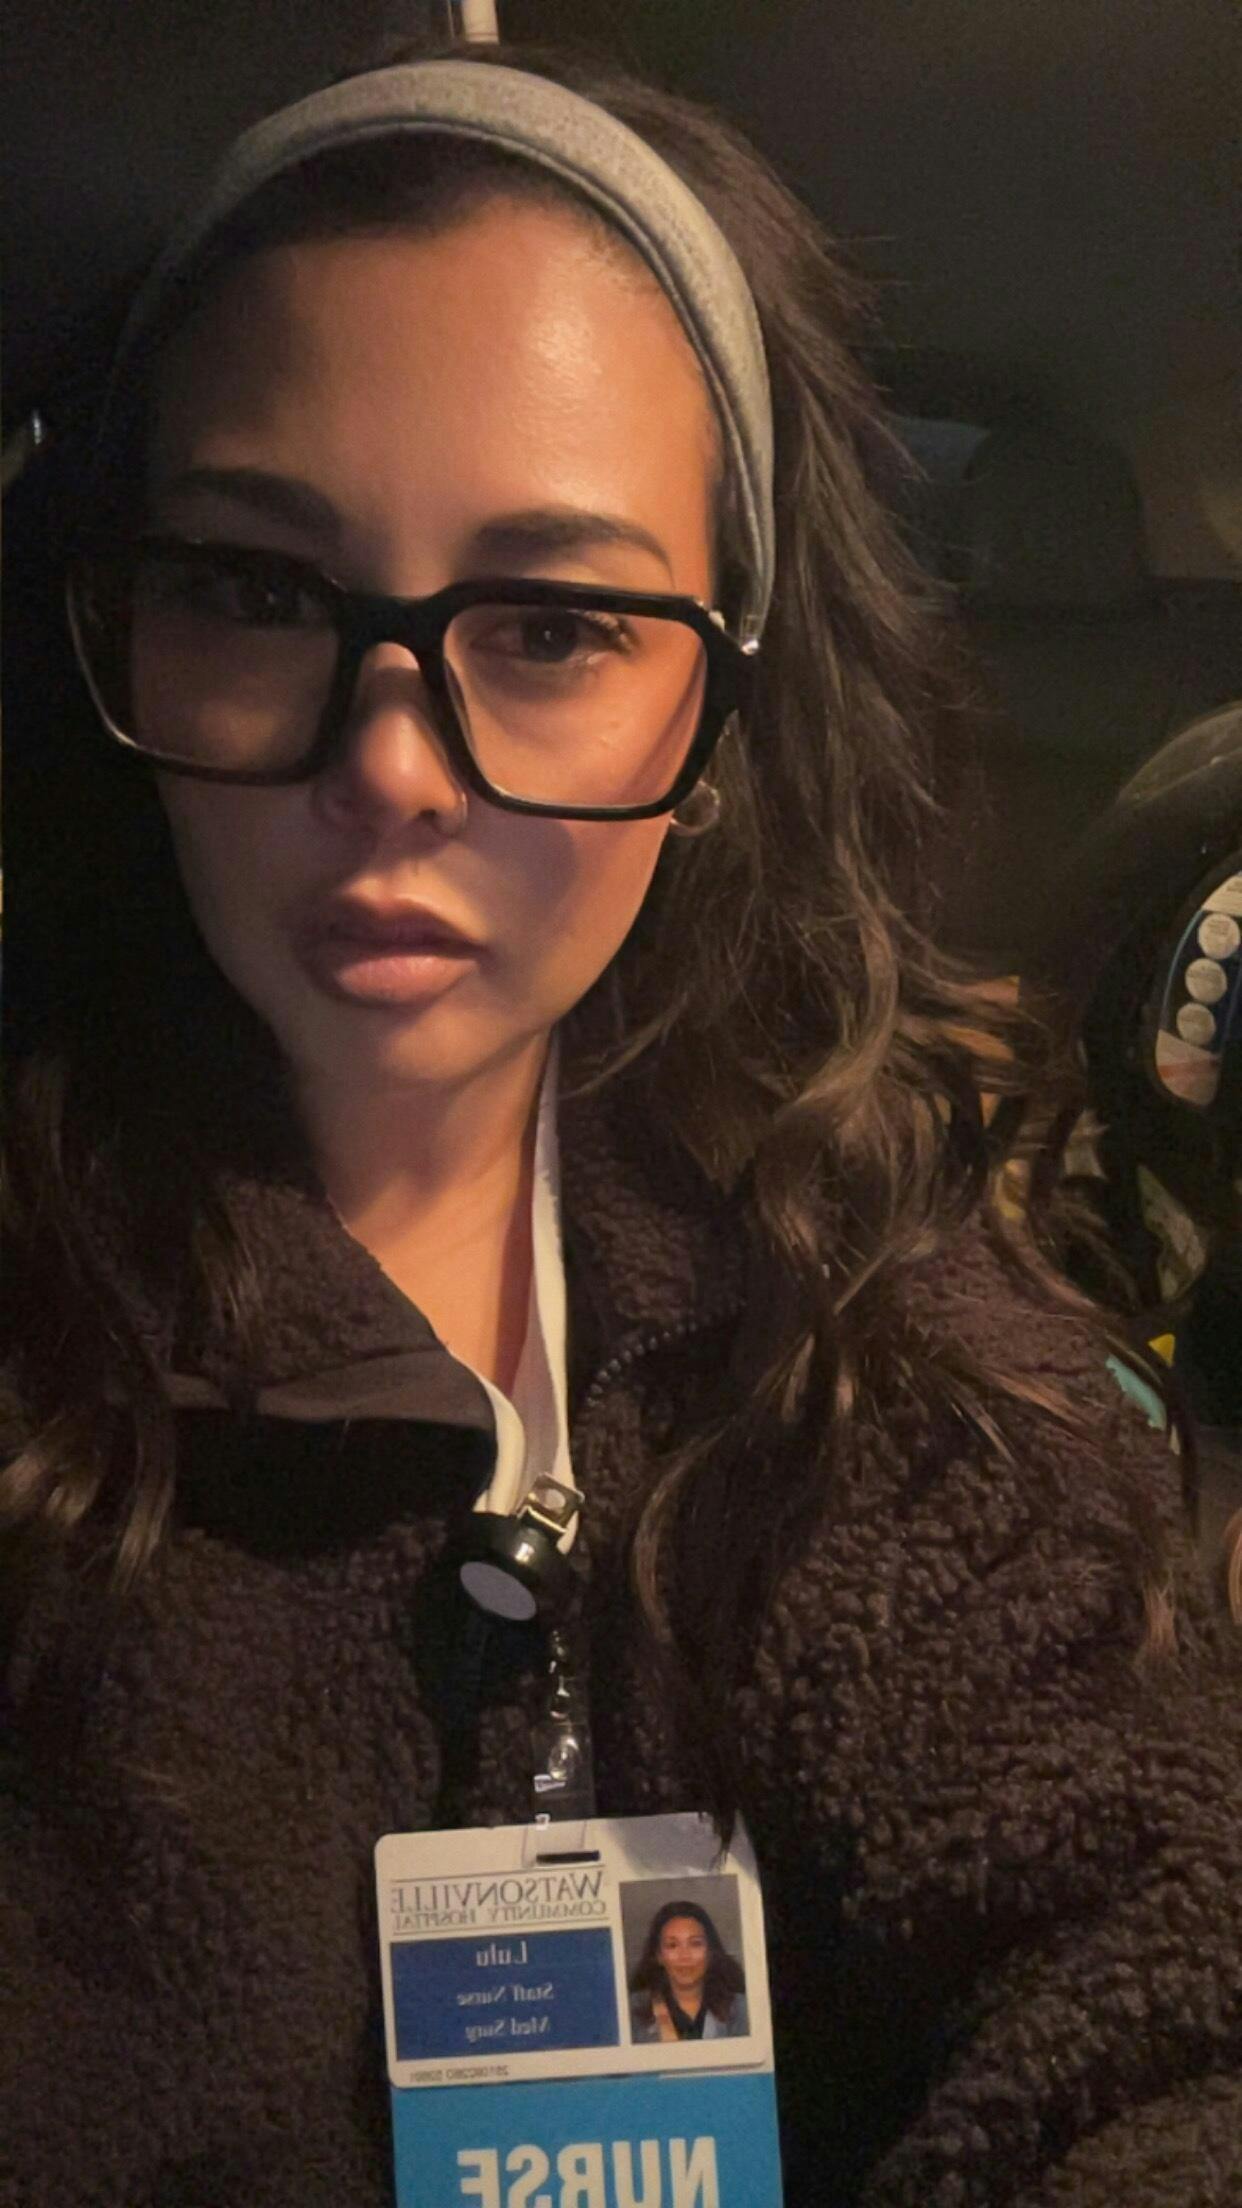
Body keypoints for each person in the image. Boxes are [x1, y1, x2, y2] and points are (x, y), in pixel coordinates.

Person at [1, 35, 1239, 2208]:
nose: (389, 767)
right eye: (259, 592)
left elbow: (1149, 1975)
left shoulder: (884, 1319)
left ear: (723, 711)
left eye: (556, 625)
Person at [629, 1899, 749, 2043]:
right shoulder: (630, 2012)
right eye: (672, 1945)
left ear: (710, 1952)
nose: (685, 1956)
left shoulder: (742, 2009)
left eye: (695, 1944)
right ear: (659, 1956)